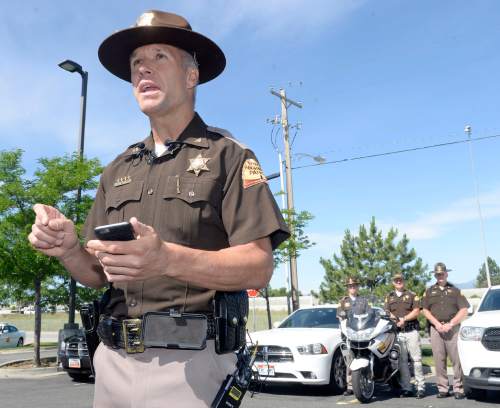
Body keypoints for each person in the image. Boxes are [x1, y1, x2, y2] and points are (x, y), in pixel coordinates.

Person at [28, 10, 289, 408]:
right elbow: (97, 274)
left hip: (190, 368)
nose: (142, 69)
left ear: (191, 75)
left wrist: (166, 258)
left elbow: (258, 266)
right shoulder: (117, 168)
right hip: (112, 364)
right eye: (136, 64)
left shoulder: (230, 157)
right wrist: (67, 249)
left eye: (159, 57)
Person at [421, 262, 469, 400]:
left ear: (446, 274)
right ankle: (443, 388)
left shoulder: (455, 290)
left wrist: (451, 323)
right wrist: (436, 324)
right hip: (436, 329)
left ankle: (458, 388)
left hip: (452, 328)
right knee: (439, 359)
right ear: (435, 275)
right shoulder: (429, 291)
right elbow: (425, 310)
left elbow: (464, 310)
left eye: (442, 273)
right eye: (438, 274)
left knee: (456, 359)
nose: (440, 276)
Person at [384, 273, 425, 399]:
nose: (398, 282)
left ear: (404, 281)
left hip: (411, 331)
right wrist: (394, 319)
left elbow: (417, 311)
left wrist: (403, 319)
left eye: (400, 280)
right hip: (398, 333)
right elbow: (386, 311)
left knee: (416, 360)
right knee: (402, 362)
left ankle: (420, 387)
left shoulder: (412, 295)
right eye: (396, 281)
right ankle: (407, 388)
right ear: (393, 283)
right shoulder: (389, 297)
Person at [337, 276, 365, 396]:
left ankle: (364, 383)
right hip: (348, 336)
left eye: (354, 285)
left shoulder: (363, 300)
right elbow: (340, 316)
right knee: (349, 361)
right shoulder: (343, 301)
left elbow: (369, 315)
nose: (352, 287)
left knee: (364, 358)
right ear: (348, 288)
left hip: (362, 335)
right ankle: (350, 386)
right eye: (350, 286)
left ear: (357, 287)